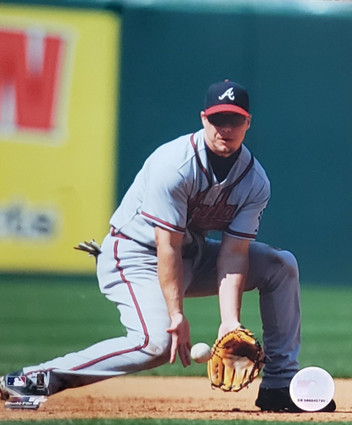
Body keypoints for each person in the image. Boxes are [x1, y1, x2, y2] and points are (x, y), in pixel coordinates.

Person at [0, 79, 335, 412]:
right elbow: (167, 247)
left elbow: (234, 253)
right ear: (204, 118)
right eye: (218, 120)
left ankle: (280, 384)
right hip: (134, 255)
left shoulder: (254, 181)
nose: (225, 129)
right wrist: (176, 313)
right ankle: (32, 379)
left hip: (192, 255)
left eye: (234, 120)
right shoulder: (174, 165)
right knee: (156, 344)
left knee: (280, 265)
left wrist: (229, 322)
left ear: (248, 123)